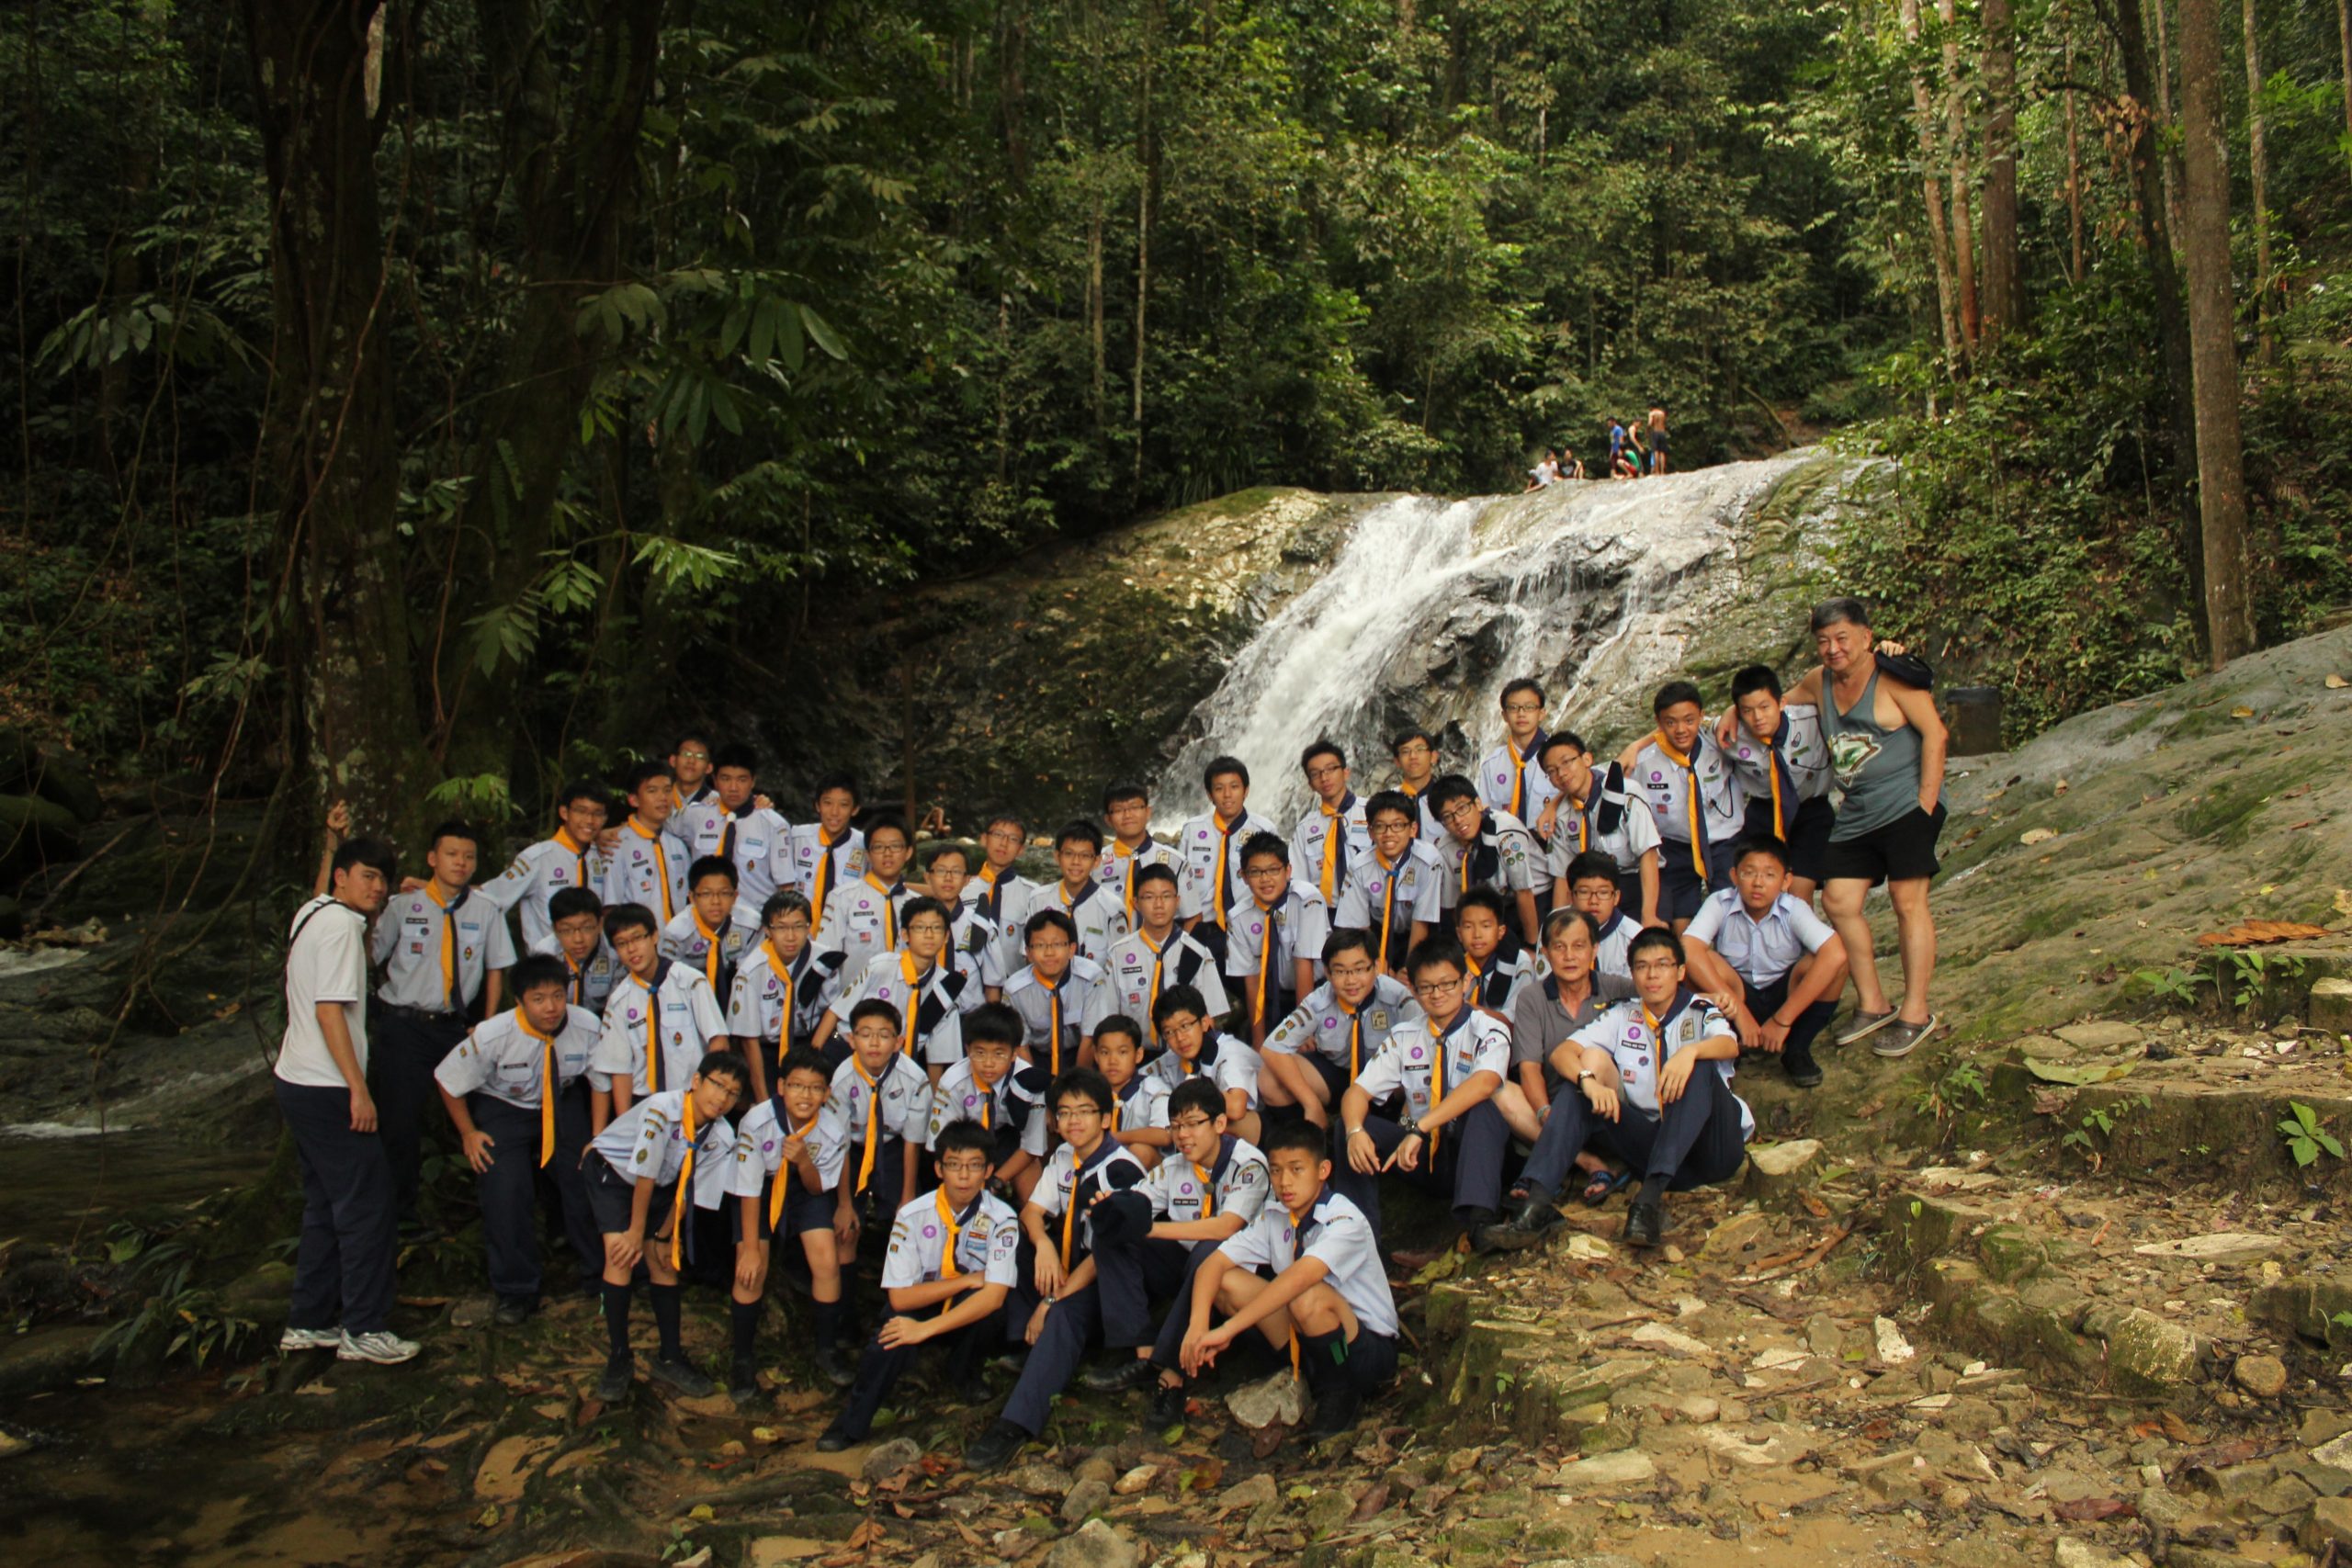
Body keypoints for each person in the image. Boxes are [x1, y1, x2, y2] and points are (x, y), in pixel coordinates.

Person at [1752, 598, 1948, 1057]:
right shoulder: (1818, 682)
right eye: (1823, 641)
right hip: (1857, 811)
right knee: (1838, 900)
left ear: (1865, 636)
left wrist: (1926, 804)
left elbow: (1936, 734)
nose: (1833, 649)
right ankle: (1874, 1002)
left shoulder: (1893, 676)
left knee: (1907, 899)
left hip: (1904, 806)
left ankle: (1916, 1012)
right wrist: (1727, 715)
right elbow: (1772, 704)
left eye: (1842, 638)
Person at [1495, 928, 1750, 1249]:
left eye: (1662, 965)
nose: (1652, 975)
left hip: (1712, 1149)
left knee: (1699, 1070)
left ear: (1681, 971)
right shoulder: (1622, 1014)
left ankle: (1647, 1204)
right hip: (1655, 1146)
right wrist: (1589, 1081)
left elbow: (1729, 1045)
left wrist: (1691, 1052)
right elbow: (1562, 1053)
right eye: (1642, 966)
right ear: (1632, 973)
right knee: (1579, 1092)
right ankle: (1536, 1206)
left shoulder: (1700, 1009)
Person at [962, 1068, 1151, 1471]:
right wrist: (1044, 1243)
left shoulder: (1120, 1169)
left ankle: (1014, 1425)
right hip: (1068, 1261)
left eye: (1084, 1112)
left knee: (1062, 1313)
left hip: (1107, 1279)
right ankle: (1022, 1342)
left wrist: (1049, 1300)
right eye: (1064, 1113)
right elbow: (1032, 1211)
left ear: (1105, 1118)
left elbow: (1108, 1253)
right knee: (1013, 1241)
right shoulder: (1064, 1156)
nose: (1073, 1122)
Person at [276, 830, 416, 1366]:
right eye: (367, 876)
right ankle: (363, 1327)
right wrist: (359, 1090)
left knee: (324, 1206)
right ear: (343, 877)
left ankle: (310, 1321)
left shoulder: (315, 911)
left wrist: (330, 841)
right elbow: (329, 1011)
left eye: (383, 878)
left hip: (297, 1081)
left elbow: (319, 889)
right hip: (327, 1087)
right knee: (367, 1206)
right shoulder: (338, 930)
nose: (378, 888)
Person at [1179, 1118, 1399, 1439]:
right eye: (1277, 1170)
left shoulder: (1344, 1219)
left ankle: (1339, 1392)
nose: (1285, 1182)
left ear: (1323, 1171)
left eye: (1297, 1170)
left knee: (1306, 1295)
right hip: (1307, 1336)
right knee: (1227, 1283)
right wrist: (1198, 1325)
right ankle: (1304, 1374)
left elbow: (1301, 1277)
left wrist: (1227, 1330)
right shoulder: (1275, 1214)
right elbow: (1212, 1265)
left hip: (1364, 1352)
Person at [813, 1119, 1021, 1452]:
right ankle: (852, 1422)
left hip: (969, 1306)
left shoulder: (1003, 1218)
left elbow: (994, 1296)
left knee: (990, 1308)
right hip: (922, 1301)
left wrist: (927, 1329)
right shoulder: (912, 1215)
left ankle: (964, 1371)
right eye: (954, 1165)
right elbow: (901, 1296)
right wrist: (962, 1282)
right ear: (938, 1168)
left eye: (974, 1166)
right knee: (891, 1334)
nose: (964, 1176)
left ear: (989, 1170)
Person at [1076, 1077, 1272, 1420]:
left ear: (1220, 1123)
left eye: (1194, 1124)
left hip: (1237, 1275)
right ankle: (1142, 1351)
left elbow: (1226, 1227)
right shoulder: (1173, 1166)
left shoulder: (1249, 1164)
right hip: (1185, 1266)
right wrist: (1115, 1206)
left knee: (1209, 1249)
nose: (1183, 1135)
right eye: (1176, 1126)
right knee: (1114, 1234)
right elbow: (1138, 1203)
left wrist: (1151, 1229)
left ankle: (1171, 1375)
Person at [433, 953, 601, 1325]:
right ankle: (516, 1290)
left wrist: (598, 1136)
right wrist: (469, 1133)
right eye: (539, 999)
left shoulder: (587, 1025)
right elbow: (447, 1080)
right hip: (504, 1105)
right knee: (505, 1189)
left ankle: (601, 1276)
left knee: (585, 1175)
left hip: (563, 1098)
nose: (551, 1007)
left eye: (558, 996)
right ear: (520, 1001)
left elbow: (602, 1080)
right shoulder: (494, 1034)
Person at [371, 818, 516, 1235]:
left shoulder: (486, 910)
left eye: (469, 857)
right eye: (452, 854)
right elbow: (373, 954)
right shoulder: (404, 906)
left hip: (457, 1027)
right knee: (400, 1121)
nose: (461, 863)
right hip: (404, 1025)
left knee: (482, 1111)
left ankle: (487, 1208)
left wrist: (486, 1023)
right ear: (433, 859)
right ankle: (400, 1216)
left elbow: (495, 970)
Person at [583, 1050, 749, 1400]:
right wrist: (634, 1232)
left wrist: (663, 1236)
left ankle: (670, 1357)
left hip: (665, 1187)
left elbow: (691, 1191)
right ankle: (618, 1358)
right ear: (696, 1082)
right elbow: (643, 1173)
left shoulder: (722, 1135)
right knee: (621, 1257)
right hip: (614, 1174)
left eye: (732, 1093)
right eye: (717, 1085)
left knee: (664, 1263)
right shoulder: (662, 1109)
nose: (721, 1098)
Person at [1333, 937, 1511, 1257]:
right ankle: (1361, 1242)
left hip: (1471, 1153)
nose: (1437, 994)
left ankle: (1480, 1225)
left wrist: (1421, 1127)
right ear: (1413, 991)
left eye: (1447, 984)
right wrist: (1355, 1132)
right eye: (1426, 988)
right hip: (1420, 1154)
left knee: (1484, 1108)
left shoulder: (1488, 1028)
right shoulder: (1406, 1035)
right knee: (1350, 1127)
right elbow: (1357, 1092)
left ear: (1466, 982)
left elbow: (1486, 1082)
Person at [730, 1043, 854, 1398]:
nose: (806, 1095)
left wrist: (802, 1161)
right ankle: (742, 1360)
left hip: (803, 1187)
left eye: (816, 1088)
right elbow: (749, 1189)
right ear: (781, 1086)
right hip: (760, 1191)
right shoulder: (756, 1121)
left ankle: (827, 1349)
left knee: (828, 1261)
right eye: (798, 1086)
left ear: (826, 1092)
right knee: (750, 1269)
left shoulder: (831, 1127)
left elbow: (818, 1186)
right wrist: (752, 1248)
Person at [1681, 838, 1849, 1089]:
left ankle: (1797, 1049)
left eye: (1769, 875)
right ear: (1734, 876)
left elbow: (1834, 954)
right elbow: (1688, 949)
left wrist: (1783, 1019)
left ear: (1786, 881)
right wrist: (1739, 1011)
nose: (1758, 883)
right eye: (1749, 873)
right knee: (1694, 964)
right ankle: (1728, 1042)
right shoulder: (1720, 902)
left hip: (1785, 994)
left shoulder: (1794, 908)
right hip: (1736, 995)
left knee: (1834, 962)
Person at [1504, 909, 1634, 1205]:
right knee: (1498, 1089)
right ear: (1546, 952)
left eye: (1579, 946)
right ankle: (1588, 1162)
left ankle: (1543, 1174)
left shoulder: (1616, 987)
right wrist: (1543, 1112)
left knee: (1591, 1057)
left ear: (1594, 949)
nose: (1569, 956)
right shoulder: (1532, 998)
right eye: (1559, 947)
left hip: (1603, 1104)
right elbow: (1529, 1070)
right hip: (1550, 1113)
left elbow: (1661, 993)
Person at [591, 902, 730, 1127]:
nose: (632, 949)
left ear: (654, 936)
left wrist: (707, 1095)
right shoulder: (618, 1002)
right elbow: (620, 1071)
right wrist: (625, 1124)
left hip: (691, 1097)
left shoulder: (690, 981)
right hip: (644, 1103)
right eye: (622, 944)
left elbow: (719, 1042)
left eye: (637, 938)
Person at [1260, 929, 1416, 1128]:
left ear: (1376, 966)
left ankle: (1396, 1127)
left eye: (1359, 969)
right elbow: (1272, 1049)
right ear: (1327, 972)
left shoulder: (1397, 997)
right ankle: (1314, 1136)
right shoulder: (1319, 1000)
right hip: (1339, 1075)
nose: (1351, 981)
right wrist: (1311, 1103)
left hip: (1387, 1081)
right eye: (1340, 971)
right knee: (1269, 1078)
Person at [1623, 681, 1747, 930]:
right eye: (1671, 722)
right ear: (1658, 723)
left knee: (1731, 912)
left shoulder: (1718, 740)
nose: (1681, 729)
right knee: (1681, 921)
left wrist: (1733, 710)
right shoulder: (1644, 762)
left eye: (1689, 720)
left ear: (1701, 716)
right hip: (1675, 847)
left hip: (1724, 842)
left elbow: (1744, 716)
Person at [814, 896, 968, 1084]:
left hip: (896, 1066)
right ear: (905, 935)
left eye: (936, 928)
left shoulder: (945, 986)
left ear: (946, 936)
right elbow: (836, 1011)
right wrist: (812, 1059)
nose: (929, 935)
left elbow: (937, 1057)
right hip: (846, 1051)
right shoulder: (881, 967)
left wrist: (934, 1105)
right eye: (920, 927)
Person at [1725, 665, 1837, 905]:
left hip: (1811, 811)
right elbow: (1684, 727)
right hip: (1763, 812)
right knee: (1759, 890)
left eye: (1765, 707)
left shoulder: (1811, 719)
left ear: (1782, 702)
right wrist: (1636, 747)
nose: (1758, 717)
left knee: (1798, 892)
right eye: (1747, 711)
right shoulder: (1730, 732)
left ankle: (1803, 941)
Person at [1093, 863, 1228, 1047]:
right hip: (1134, 1056)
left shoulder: (1198, 953)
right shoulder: (1118, 954)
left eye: (1166, 896)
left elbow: (1209, 1019)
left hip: (1183, 1053)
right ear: (1135, 903)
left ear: (1178, 901)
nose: (1158, 905)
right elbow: (1108, 1017)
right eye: (1149, 897)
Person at [727, 890, 842, 1097]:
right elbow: (748, 1040)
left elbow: (832, 1010)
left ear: (809, 927)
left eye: (799, 926)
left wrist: (810, 1058)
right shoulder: (750, 971)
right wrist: (763, 1099)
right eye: (781, 927)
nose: (791, 936)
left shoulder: (823, 959)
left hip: (809, 1041)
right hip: (766, 1049)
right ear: (767, 930)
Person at [1538, 733, 1661, 927]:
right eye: (1552, 771)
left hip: (1634, 887)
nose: (1561, 774)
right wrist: (1558, 924)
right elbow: (1562, 875)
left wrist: (1649, 915)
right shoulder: (1560, 814)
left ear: (1587, 759)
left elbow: (1648, 855)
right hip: (1589, 896)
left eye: (1567, 763)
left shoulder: (1625, 793)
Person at [925, 1003, 1046, 1198]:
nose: (988, 1063)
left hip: (1010, 1142)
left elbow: (1032, 1147)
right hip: (965, 1145)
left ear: (1014, 1053)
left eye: (999, 1054)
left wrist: (996, 1179)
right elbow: (942, 1143)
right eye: (980, 1053)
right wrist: (972, 1175)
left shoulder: (1028, 1081)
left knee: (1034, 1194)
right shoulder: (953, 1081)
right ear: (967, 1049)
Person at [1225, 831, 1329, 1049]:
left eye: (1273, 870)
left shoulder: (1307, 900)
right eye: (1255, 872)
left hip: (1315, 995)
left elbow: (1304, 966)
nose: (1265, 879)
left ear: (1288, 870)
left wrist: (1302, 1030)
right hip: (1271, 998)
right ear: (1243, 876)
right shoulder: (1239, 916)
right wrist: (1258, 1041)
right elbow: (1252, 981)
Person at [481, 779, 609, 954]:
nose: (589, 820)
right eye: (581, 811)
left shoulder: (603, 856)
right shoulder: (538, 858)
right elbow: (489, 899)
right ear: (564, 812)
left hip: (594, 972)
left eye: (597, 814)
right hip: (548, 970)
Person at [1335, 789, 1445, 977]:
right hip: (1376, 937)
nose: (1388, 834)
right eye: (1380, 827)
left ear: (1413, 829)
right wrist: (1380, 965)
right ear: (1370, 831)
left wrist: (1409, 971)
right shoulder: (1360, 866)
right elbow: (1359, 927)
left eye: (1397, 826)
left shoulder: (1428, 860)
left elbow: (1422, 922)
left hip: (1423, 936)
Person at [1175, 757, 1275, 958]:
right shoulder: (1192, 830)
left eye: (1234, 787)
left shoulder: (1264, 829)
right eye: (1219, 788)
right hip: (1199, 927)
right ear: (1209, 794)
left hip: (1248, 928)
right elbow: (1178, 880)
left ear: (1246, 791)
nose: (1227, 795)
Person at [1427, 774, 1542, 945]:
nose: (1458, 820)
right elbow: (1453, 905)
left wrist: (1533, 946)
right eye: (1448, 817)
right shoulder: (1445, 848)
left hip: (1534, 901)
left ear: (1478, 804)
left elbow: (1523, 891)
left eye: (1462, 809)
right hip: (1489, 911)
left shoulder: (1506, 831)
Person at [1144, 985, 1264, 1146]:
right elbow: (1139, 1077)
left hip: (1263, 1127)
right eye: (1169, 1033)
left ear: (1205, 1022)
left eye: (1185, 1026)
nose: (1180, 1038)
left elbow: (1236, 1108)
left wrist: (1191, 1093)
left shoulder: (1229, 1052)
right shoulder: (1175, 1058)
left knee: (1197, 1126)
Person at [1001, 909, 1106, 1078]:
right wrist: (1034, 1087)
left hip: (1080, 1054)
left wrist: (1076, 1083)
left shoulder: (1092, 977)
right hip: (1037, 1056)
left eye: (1057, 944)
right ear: (1028, 952)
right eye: (1040, 945)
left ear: (1072, 949)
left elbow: (1090, 1038)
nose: (1049, 953)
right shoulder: (1014, 989)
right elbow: (1021, 1046)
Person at [696, 744, 794, 923]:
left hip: (755, 926)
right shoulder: (695, 816)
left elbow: (786, 888)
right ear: (715, 780)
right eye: (726, 779)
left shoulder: (774, 825)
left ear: (753, 781)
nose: (733, 787)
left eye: (742, 779)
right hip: (704, 925)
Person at [814, 814, 918, 976]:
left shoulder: (918, 904)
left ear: (908, 852)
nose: (887, 853)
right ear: (868, 855)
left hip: (904, 997)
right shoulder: (843, 898)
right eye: (878, 847)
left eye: (895, 846)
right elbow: (826, 958)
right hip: (855, 997)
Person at [1017, 820, 1128, 964]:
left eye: (1085, 855)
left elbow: (1119, 963)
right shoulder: (1039, 899)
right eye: (1069, 854)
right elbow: (1029, 956)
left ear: (1096, 861)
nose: (1076, 861)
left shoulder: (1112, 907)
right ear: (1057, 856)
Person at [1476, 679, 1561, 842]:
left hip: (1553, 846)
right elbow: (1484, 813)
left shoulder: (1559, 759)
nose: (1521, 714)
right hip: (1507, 850)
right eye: (1514, 708)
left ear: (1542, 713)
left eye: (1529, 707)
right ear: (1504, 715)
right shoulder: (1492, 765)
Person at [603, 761, 688, 924]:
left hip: (676, 945)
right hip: (636, 944)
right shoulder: (617, 844)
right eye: (652, 791)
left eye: (667, 790)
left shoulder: (677, 845)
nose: (662, 798)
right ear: (634, 800)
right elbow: (611, 908)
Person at [659, 856, 754, 999]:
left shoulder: (751, 926)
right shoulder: (676, 933)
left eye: (724, 893)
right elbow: (666, 981)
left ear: (735, 896)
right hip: (689, 997)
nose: (715, 901)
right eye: (706, 894)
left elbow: (754, 975)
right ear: (692, 897)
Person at [1291, 739, 1372, 906]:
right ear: (1310, 784)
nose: (1324, 777)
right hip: (1327, 916)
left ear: (1346, 772)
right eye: (1315, 774)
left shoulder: (1371, 812)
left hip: (1370, 912)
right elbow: (1298, 881)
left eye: (1330, 769)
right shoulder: (1305, 828)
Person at [922, 840, 1004, 999]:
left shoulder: (981, 924)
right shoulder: (915, 924)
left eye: (956, 872)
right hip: (926, 1017)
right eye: (940, 871)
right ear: (927, 877)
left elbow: (993, 984)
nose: (948, 878)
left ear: (967, 879)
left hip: (970, 1018)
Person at [1093, 1014, 1172, 1166]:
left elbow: (1164, 1135)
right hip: (1098, 1166)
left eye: (1122, 1052)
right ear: (1096, 1056)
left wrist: (1115, 1138)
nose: (1112, 1061)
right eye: (1105, 1053)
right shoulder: (1090, 1093)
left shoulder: (1154, 1090)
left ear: (1138, 1055)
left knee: (1139, 1150)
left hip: (1152, 1175)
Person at [1096, 781, 1182, 919]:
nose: (1128, 815)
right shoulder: (1095, 863)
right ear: (1108, 819)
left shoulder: (1175, 861)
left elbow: (1192, 916)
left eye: (1134, 807)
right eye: (1118, 810)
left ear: (1148, 812)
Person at [786, 773, 866, 917]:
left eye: (843, 805)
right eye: (827, 803)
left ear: (855, 809)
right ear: (817, 805)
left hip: (844, 930)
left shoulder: (865, 845)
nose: (834, 812)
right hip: (801, 931)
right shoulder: (796, 838)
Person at [1453, 886, 1539, 1015]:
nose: (1477, 934)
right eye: (1468, 927)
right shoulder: (1454, 966)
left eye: (1485, 926)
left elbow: (1515, 1021)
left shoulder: (1519, 962)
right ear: (1459, 933)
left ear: (1501, 931)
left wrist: (1461, 1009)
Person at [1561, 851, 1641, 980]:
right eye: (1584, 892)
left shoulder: (1634, 937)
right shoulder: (1554, 928)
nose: (1593, 901)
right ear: (1571, 896)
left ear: (1616, 897)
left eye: (1603, 893)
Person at [548, 886, 622, 1015]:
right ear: (555, 929)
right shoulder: (545, 956)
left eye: (586, 928)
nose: (578, 939)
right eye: (567, 930)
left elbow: (619, 1009)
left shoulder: (616, 954)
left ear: (599, 924)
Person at [1387, 728, 1445, 839]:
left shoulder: (1447, 798)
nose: (1413, 756)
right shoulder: (1388, 801)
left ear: (1433, 757)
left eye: (1420, 749)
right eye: (1405, 751)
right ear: (1397, 761)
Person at [668, 733, 719, 810]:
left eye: (700, 756)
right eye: (686, 754)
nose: (691, 761)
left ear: (709, 768)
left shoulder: (718, 803)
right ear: (673, 760)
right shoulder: (659, 798)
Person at [1645, 406, 1669, 476]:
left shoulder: (1652, 413)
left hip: (1655, 432)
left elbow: (1649, 423)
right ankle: (1662, 472)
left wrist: (1647, 431)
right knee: (1662, 452)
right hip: (1662, 432)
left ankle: (1657, 471)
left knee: (1656, 452)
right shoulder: (1662, 413)